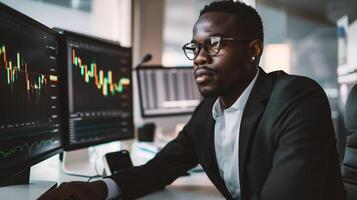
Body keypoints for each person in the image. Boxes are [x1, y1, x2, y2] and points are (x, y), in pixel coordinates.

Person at [39, 1, 346, 200]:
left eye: (213, 44)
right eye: (194, 47)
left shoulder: (297, 99)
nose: (199, 58)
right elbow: (160, 169)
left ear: (253, 51)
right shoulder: (209, 112)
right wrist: (97, 189)